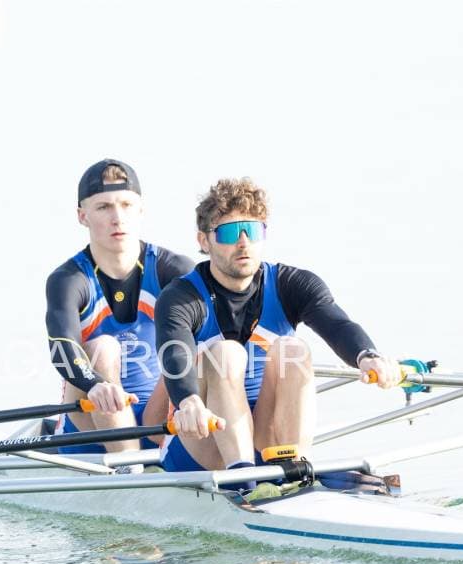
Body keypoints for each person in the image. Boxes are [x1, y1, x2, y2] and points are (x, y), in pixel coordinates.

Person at [154, 177, 401, 473]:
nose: (243, 243)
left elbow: (337, 325)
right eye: (229, 232)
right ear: (204, 241)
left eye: (253, 231)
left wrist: (367, 355)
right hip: (201, 440)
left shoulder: (293, 284)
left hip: (265, 440)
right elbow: (174, 353)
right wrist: (188, 400)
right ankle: (242, 477)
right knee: (226, 353)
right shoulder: (180, 297)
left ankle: (294, 468)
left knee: (293, 349)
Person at [45, 159, 195, 455]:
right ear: (82, 216)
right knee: (103, 347)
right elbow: (62, 346)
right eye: (103, 207)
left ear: (141, 209)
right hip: (90, 424)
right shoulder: (68, 280)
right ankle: (130, 466)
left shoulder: (174, 270)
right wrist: (95, 384)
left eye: (126, 205)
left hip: (158, 420)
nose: (118, 218)